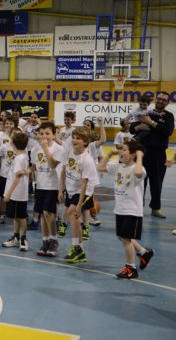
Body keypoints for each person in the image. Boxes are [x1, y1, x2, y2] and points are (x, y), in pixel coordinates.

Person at [98, 141, 154, 279]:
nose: (121, 152)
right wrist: (109, 154)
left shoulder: (138, 168)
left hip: (132, 210)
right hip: (120, 208)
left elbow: (139, 174)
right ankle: (144, 252)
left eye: (124, 150)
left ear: (133, 154)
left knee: (126, 239)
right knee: (122, 236)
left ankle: (131, 269)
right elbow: (100, 167)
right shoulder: (119, 166)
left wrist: (139, 156)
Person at [130, 91, 174, 218]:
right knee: (139, 182)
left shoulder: (168, 116)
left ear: (167, 102)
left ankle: (156, 208)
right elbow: (132, 128)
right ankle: (138, 207)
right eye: (159, 98)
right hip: (141, 154)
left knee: (157, 183)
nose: (161, 101)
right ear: (156, 99)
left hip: (158, 154)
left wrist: (150, 122)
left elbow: (167, 131)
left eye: (164, 100)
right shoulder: (145, 111)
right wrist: (138, 127)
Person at [58, 127, 98, 264]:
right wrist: (60, 190)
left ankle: (76, 248)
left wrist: (79, 205)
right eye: (73, 137)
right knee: (74, 218)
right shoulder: (68, 152)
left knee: (72, 212)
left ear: (85, 142)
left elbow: (84, 184)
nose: (74, 140)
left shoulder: (87, 159)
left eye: (78, 138)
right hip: (71, 188)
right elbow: (63, 171)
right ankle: (80, 251)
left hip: (84, 191)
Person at [30, 122, 64, 257]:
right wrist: (25, 171)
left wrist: (45, 148)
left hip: (52, 185)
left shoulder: (58, 149)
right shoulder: (35, 149)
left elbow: (53, 165)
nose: (44, 136)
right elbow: (35, 166)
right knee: (42, 214)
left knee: (49, 214)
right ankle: (45, 241)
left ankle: (54, 241)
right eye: (41, 134)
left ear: (54, 135)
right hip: (40, 185)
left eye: (47, 134)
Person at [1, 132, 31, 251]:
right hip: (17, 192)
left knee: (21, 217)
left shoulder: (19, 158)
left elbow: (18, 177)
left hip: (18, 193)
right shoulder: (23, 156)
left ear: (13, 143)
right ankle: (16, 237)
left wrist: (9, 193)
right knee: (16, 216)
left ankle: (23, 239)